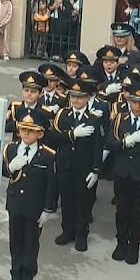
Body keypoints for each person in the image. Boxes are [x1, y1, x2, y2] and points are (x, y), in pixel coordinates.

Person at [106, 81, 140, 264]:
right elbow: (110, 143)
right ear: (129, 101)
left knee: (137, 212)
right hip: (121, 172)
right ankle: (121, 242)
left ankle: (134, 246)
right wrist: (127, 140)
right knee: (121, 209)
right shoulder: (120, 119)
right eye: (135, 102)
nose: (138, 106)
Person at [2, 118, 57, 280]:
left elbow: (51, 184)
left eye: (31, 130)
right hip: (16, 203)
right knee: (15, 241)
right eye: (23, 129)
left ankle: (27, 277)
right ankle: (15, 274)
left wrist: (48, 209)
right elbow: (2, 171)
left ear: (40, 133)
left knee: (31, 243)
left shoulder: (48, 155)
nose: (26, 133)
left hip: (34, 206)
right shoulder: (11, 149)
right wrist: (11, 167)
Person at [51, 76, 103, 251]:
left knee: (83, 202)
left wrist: (96, 170)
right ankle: (67, 231)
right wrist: (72, 134)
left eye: (80, 96)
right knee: (66, 200)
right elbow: (53, 137)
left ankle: (81, 234)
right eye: (72, 96)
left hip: (84, 167)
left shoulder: (94, 118)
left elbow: (98, 147)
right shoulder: (63, 114)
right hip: (65, 165)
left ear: (88, 97)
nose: (75, 100)